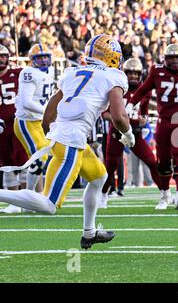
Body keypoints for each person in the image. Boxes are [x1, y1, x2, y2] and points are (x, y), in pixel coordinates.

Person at [0, 34, 134, 249]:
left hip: (67, 137)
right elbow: (119, 116)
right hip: (71, 140)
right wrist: (128, 134)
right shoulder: (114, 76)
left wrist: (51, 132)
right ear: (112, 56)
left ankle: (89, 232)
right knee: (48, 204)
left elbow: (49, 112)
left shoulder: (73, 72)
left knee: (99, 176)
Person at [127, 43, 178, 210]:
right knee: (163, 161)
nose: (173, 61)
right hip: (163, 121)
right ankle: (165, 194)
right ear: (165, 58)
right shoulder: (156, 71)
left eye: (176, 58)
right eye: (170, 58)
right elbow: (143, 90)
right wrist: (131, 104)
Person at [100, 58, 162, 208]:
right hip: (117, 134)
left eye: (136, 73)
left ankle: (165, 193)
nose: (133, 76)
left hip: (135, 134)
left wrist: (143, 119)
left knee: (152, 162)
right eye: (130, 73)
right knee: (111, 166)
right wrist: (119, 119)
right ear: (124, 73)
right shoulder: (117, 88)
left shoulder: (144, 91)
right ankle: (103, 195)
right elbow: (105, 114)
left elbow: (145, 112)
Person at [14, 44, 54, 192]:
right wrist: (47, 112)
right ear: (32, 60)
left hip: (39, 122)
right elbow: (26, 102)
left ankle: (38, 194)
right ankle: (29, 196)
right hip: (27, 121)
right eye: (40, 57)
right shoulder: (29, 73)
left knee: (43, 158)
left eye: (45, 57)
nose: (44, 60)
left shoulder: (49, 72)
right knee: (40, 158)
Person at [0, 44, 29, 213]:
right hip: (2, 128)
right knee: (7, 164)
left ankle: (26, 200)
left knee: (23, 162)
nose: (1, 59)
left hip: (17, 123)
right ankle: (14, 203)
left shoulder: (18, 74)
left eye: (3, 56)